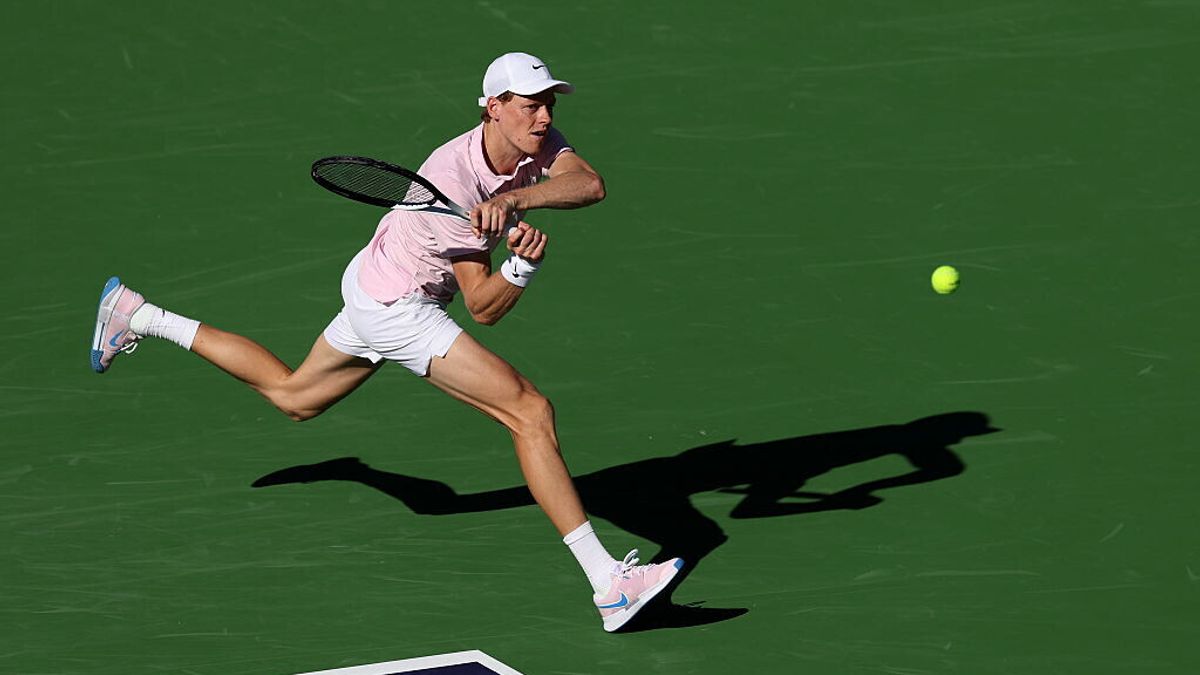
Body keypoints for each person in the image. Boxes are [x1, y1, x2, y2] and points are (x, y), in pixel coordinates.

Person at [89, 52, 682, 632]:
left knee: (295, 397)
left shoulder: (534, 141)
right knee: (529, 412)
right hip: (399, 306)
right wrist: (520, 267)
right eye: (531, 105)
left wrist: (512, 199)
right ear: (494, 108)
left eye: (549, 103)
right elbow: (484, 308)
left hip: (371, 281)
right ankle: (608, 583)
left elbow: (589, 184)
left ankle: (138, 315)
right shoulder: (452, 182)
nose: (545, 116)